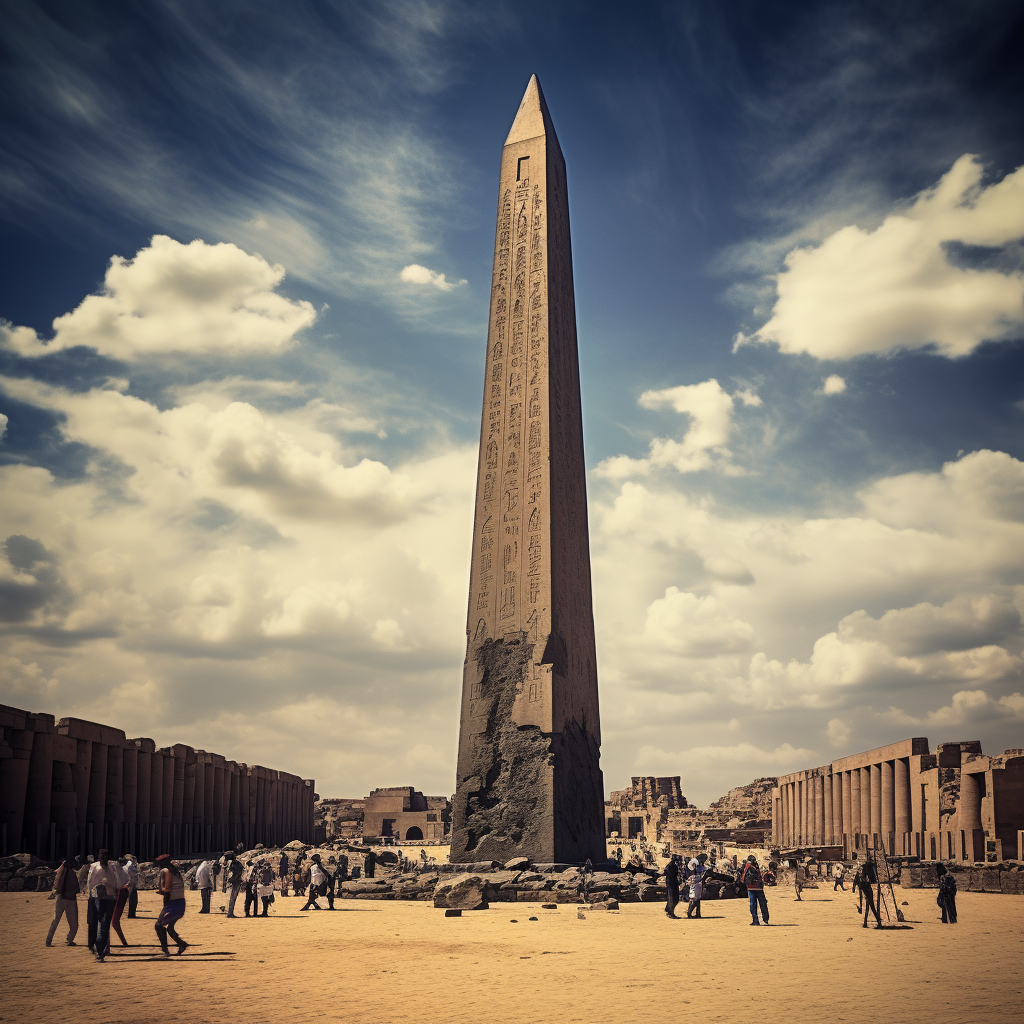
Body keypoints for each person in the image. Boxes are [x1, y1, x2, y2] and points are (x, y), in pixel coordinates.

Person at [87, 848, 126, 961]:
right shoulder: (94, 866)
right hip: (96, 898)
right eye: (102, 855)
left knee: (103, 924)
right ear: (99, 857)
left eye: (105, 855)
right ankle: (99, 949)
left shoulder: (114, 866)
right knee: (98, 924)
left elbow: (120, 881)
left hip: (109, 898)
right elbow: (90, 882)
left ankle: (101, 950)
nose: (104, 858)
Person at [154, 854, 188, 957]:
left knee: (159, 925)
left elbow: (167, 889)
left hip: (173, 904)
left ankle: (165, 950)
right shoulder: (175, 871)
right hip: (180, 902)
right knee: (170, 928)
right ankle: (181, 944)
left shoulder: (166, 871)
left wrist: (160, 890)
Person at [46, 857, 80, 947]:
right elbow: (76, 888)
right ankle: (69, 940)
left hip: (60, 898)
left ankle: (48, 941)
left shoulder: (61, 872)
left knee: (55, 920)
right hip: (70, 900)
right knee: (74, 925)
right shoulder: (71, 873)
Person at [741, 855, 769, 926]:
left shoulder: (748, 866)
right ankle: (765, 919)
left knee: (753, 905)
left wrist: (743, 881)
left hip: (751, 888)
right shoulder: (757, 865)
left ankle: (755, 920)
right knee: (763, 903)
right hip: (759, 888)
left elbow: (743, 876)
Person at [859, 854, 881, 928]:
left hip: (864, 886)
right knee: (871, 904)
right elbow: (872, 877)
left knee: (869, 904)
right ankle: (878, 920)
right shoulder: (869, 867)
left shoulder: (864, 867)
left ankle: (865, 922)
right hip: (866, 886)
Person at [226, 853, 244, 918]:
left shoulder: (232, 864)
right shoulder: (237, 864)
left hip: (233, 882)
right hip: (236, 882)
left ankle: (230, 912)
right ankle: (230, 913)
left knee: (231, 898)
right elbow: (240, 872)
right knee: (233, 898)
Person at [664, 854, 681, 919]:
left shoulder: (670, 865)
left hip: (671, 883)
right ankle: (671, 913)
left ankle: (668, 910)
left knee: (672, 898)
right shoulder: (672, 866)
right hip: (672, 884)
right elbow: (672, 876)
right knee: (674, 899)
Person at [123, 853, 139, 917]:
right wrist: (129, 885)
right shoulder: (129, 866)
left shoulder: (133, 865)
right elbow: (129, 875)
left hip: (133, 885)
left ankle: (131, 913)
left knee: (133, 900)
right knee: (132, 900)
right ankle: (130, 914)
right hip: (130, 885)